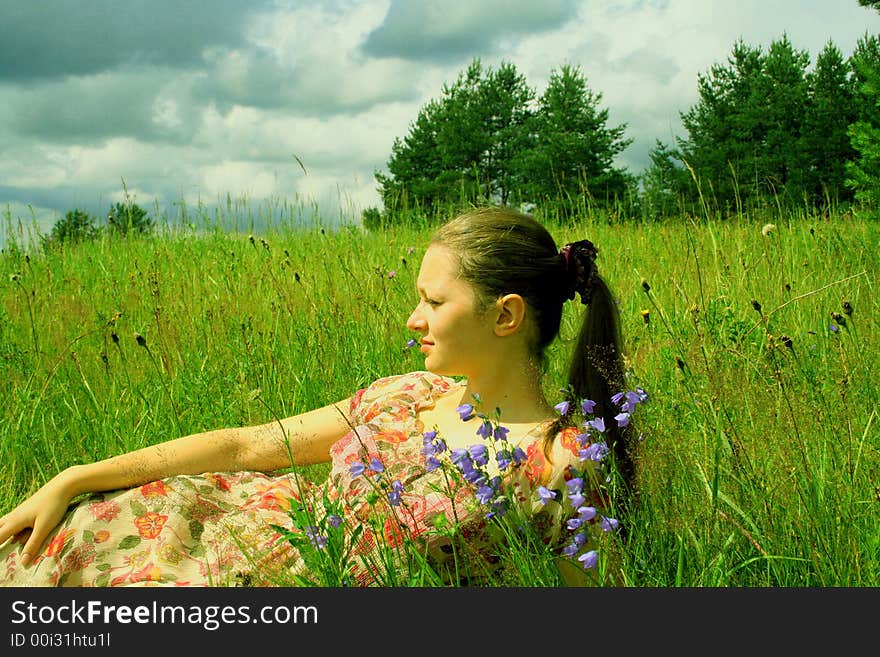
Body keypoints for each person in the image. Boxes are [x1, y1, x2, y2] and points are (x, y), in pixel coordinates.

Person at [0, 206, 638, 587]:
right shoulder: (409, 395)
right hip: (199, 534)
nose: (413, 320)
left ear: (506, 316)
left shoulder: (560, 462)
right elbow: (249, 445)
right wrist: (75, 477)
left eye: (434, 302)